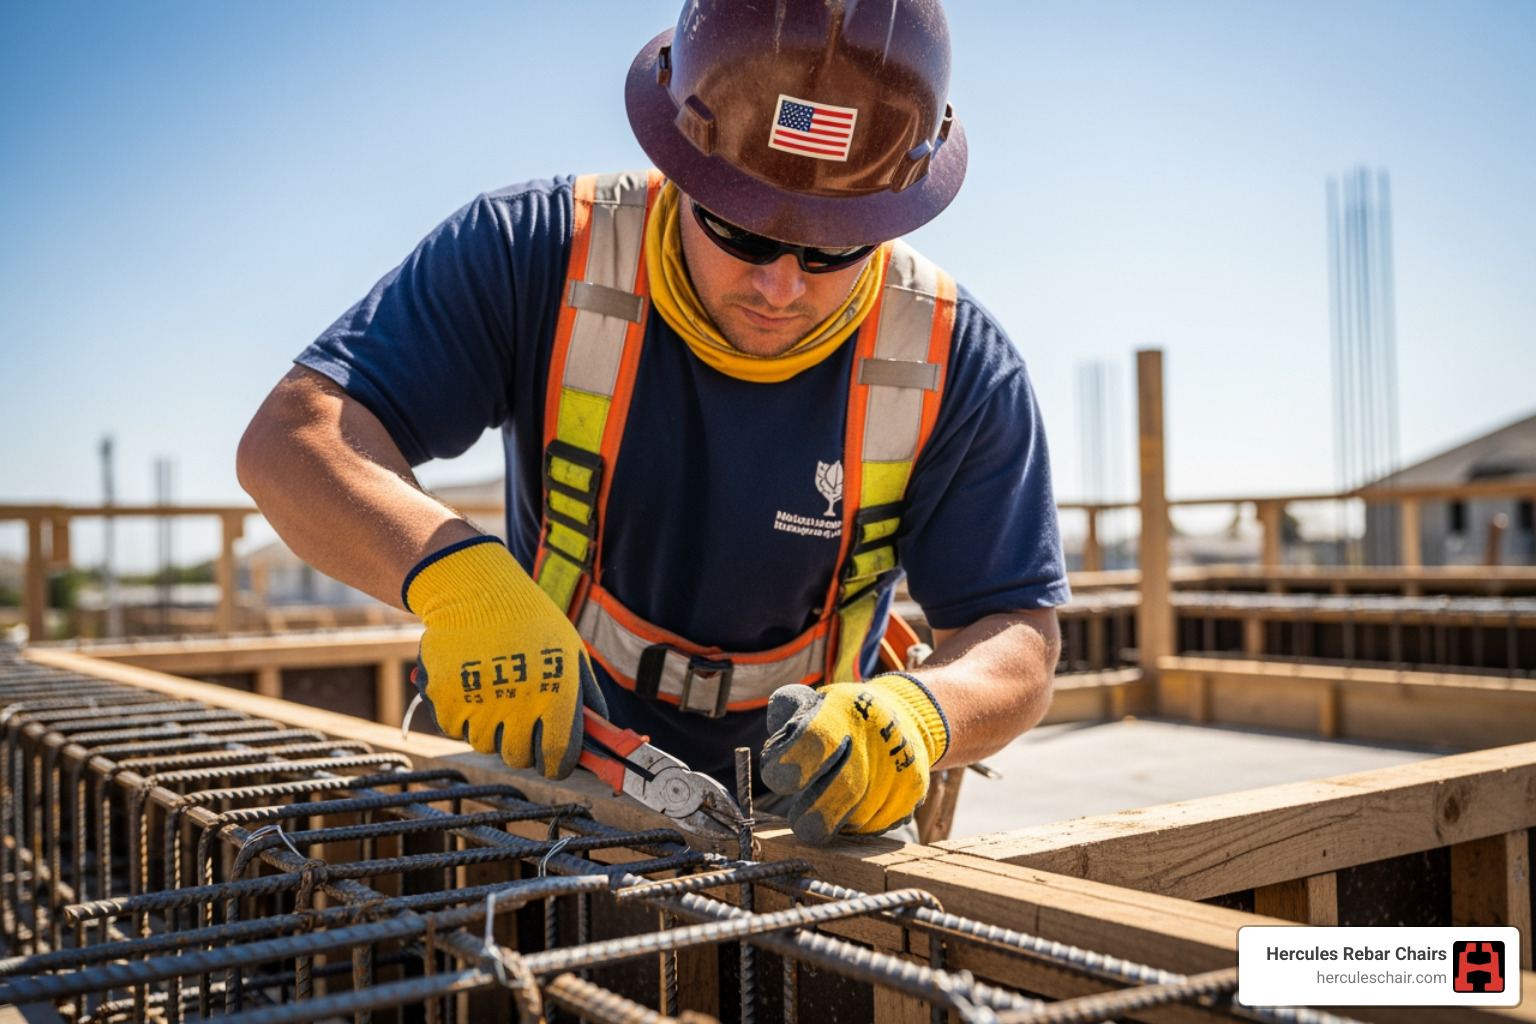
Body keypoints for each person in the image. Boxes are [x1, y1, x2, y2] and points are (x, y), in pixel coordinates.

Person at [237, 0, 1068, 846]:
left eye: (832, 247)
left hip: (819, 813)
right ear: (679, 161)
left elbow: (1019, 637)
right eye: (740, 229)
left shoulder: (952, 358)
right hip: (555, 776)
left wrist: (925, 715)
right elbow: (294, 439)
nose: (782, 285)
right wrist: (456, 579)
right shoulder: (538, 253)